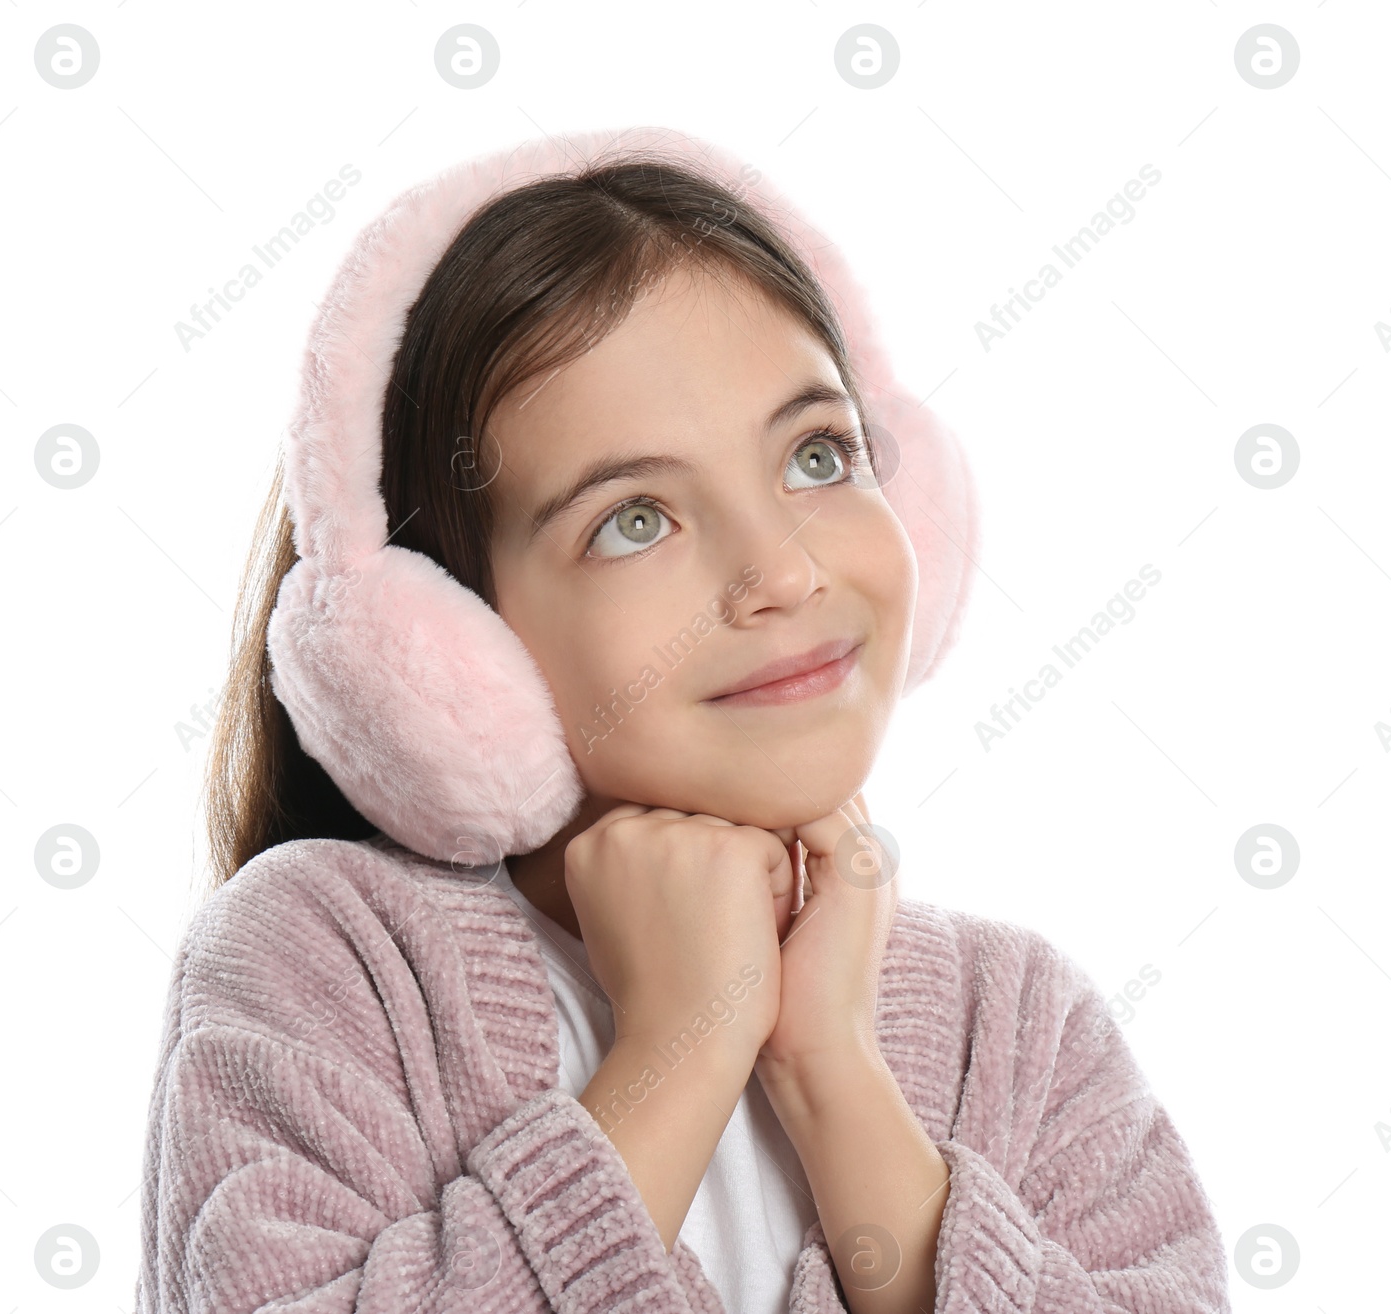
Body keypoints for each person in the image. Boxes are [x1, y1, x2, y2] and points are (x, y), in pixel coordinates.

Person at [133, 125, 1230, 1314]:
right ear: (448, 644)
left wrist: (835, 1076)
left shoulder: (1019, 1024)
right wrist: (675, 1053)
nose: (782, 572)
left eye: (818, 455)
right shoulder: (324, 965)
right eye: (634, 520)